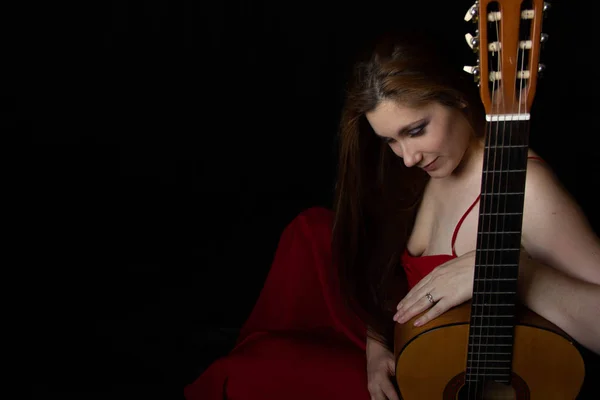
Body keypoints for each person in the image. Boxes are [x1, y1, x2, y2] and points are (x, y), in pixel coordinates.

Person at [184, 29, 600, 400]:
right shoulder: (422, 170)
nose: (407, 157)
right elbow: (391, 274)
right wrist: (376, 344)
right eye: (390, 141)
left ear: (457, 96)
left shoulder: (525, 186)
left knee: (247, 376)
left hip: (456, 378)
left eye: (416, 130)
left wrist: (516, 271)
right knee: (265, 344)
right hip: (409, 352)